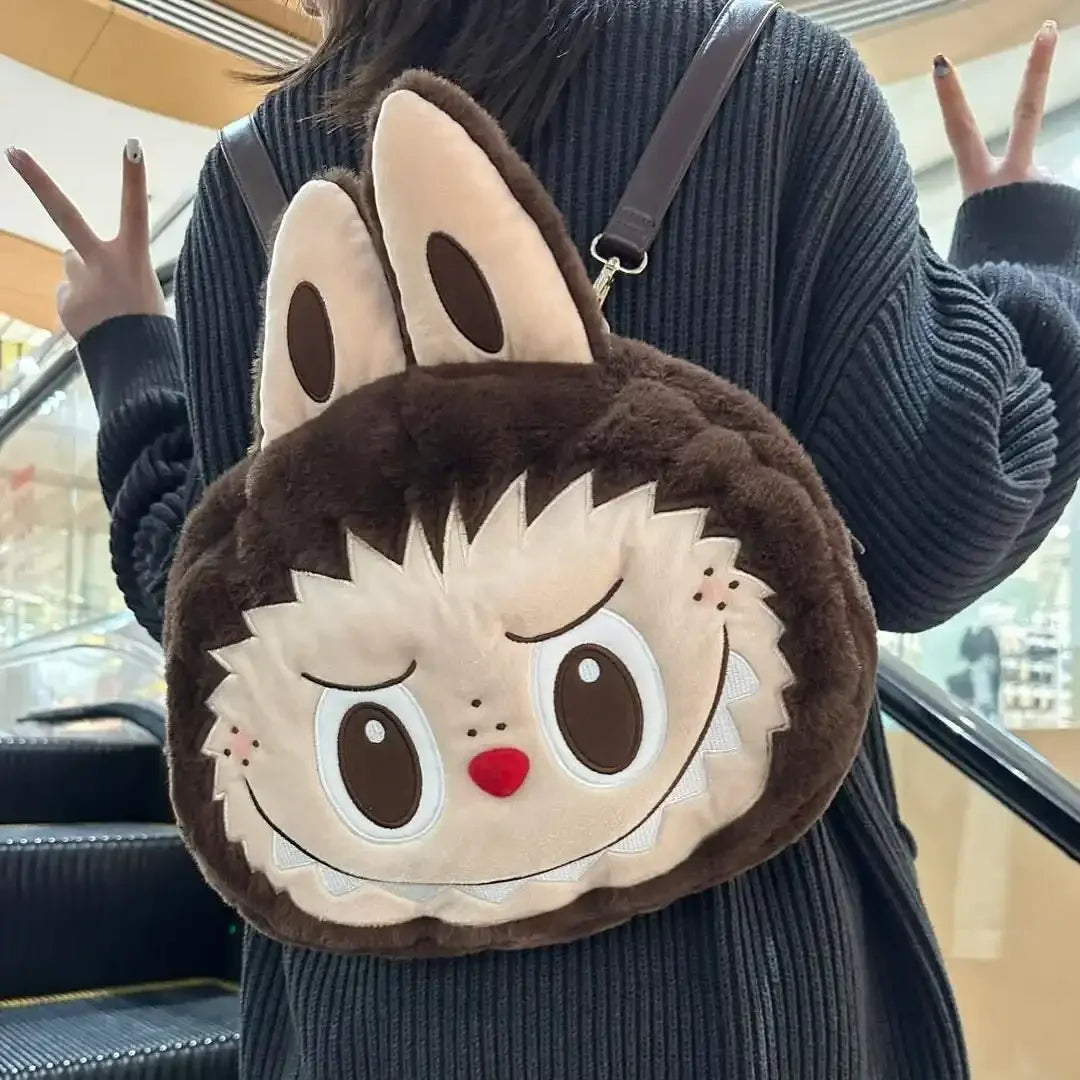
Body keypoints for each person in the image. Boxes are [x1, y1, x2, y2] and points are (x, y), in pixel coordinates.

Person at [9, 3, 1080, 1076]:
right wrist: (1027, 250)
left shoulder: (249, 186)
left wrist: (129, 351)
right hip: (741, 985)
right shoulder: (776, 81)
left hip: (376, 1002)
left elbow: (211, 602)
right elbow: (931, 529)